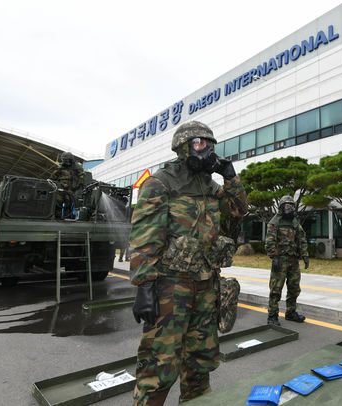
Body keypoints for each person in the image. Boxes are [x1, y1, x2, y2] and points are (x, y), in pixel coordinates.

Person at [129, 121, 248, 405]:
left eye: (210, 145)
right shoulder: (161, 182)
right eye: (198, 144)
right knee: (160, 364)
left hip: (206, 285)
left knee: (201, 361)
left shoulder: (211, 186)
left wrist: (230, 176)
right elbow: (145, 236)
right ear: (183, 147)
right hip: (171, 286)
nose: (206, 150)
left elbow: (239, 209)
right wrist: (144, 285)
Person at [264, 195, 309, 326]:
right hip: (280, 260)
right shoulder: (274, 222)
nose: (289, 209)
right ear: (281, 207)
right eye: (287, 206)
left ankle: (290, 312)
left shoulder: (295, 222)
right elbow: (269, 241)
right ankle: (272, 315)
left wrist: (305, 255)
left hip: (293, 260)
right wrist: (274, 257)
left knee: (294, 287)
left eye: (291, 206)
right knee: (276, 289)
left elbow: (301, 239)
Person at [49, 151, 85, 219]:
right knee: (58, 202)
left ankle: (68, 217)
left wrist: (79, 184)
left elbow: (81, 175)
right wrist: (57, 183)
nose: (66, 161)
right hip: (61, 187)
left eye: (67, 159)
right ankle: (57, 217)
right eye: (64, 160)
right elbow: (53, 177)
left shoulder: (76, 166)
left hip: (71, 188)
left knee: (69, 203)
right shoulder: (60, 167)